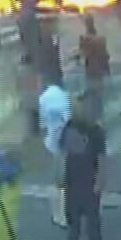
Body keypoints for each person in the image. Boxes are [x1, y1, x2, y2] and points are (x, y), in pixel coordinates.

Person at [61, 91, 106, 240]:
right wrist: (60, 177)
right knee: (73, 225)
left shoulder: (96, 132)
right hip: (72, 182)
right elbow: (63, 154)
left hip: (89, 182)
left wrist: (100, 180)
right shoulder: (69, 127)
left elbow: (102, 158)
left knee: (92, 221)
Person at [37, 75, 72, 229]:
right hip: (69, 142)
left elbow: (42, 123)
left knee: (59, 180)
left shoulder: (44, 99)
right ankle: (64, 213)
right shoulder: (64, 96)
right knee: (66, 179)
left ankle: (59, 214)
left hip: (56, 143)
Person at [78, 14, 111, 120]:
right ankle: (98, 118)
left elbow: (83, 54)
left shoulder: (84, 38)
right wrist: (107, 69)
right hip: (98, 70)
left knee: (91, 95)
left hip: (90, 70)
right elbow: (105, 55)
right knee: (97, 96)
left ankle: (92, 118)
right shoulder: (100, 38)